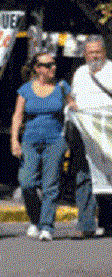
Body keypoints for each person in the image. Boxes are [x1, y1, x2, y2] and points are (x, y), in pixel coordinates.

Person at [68, 35, 112, 238]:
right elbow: (74, 97)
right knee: (83, 175)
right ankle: (85, 224)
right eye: (90, 52)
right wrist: (72, 104)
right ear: (85, 55)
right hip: (83, 131)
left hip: (106, 132)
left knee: (106, 175)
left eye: (98, 52)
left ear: (104, 52)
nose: (94, 56)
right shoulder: (80, 72)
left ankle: (108, 222)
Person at [10, 51, 69, 241]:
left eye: (54, 64)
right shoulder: (25, 89)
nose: (53, 67)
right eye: (48, 65)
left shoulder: (62, 87)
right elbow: (18, 115)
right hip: (30, 140)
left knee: (50, 185)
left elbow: (74, 109)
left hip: (55, 140)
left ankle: (46, 226)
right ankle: (35, 219)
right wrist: (14, 140)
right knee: (26, 182)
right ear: (37, 69)